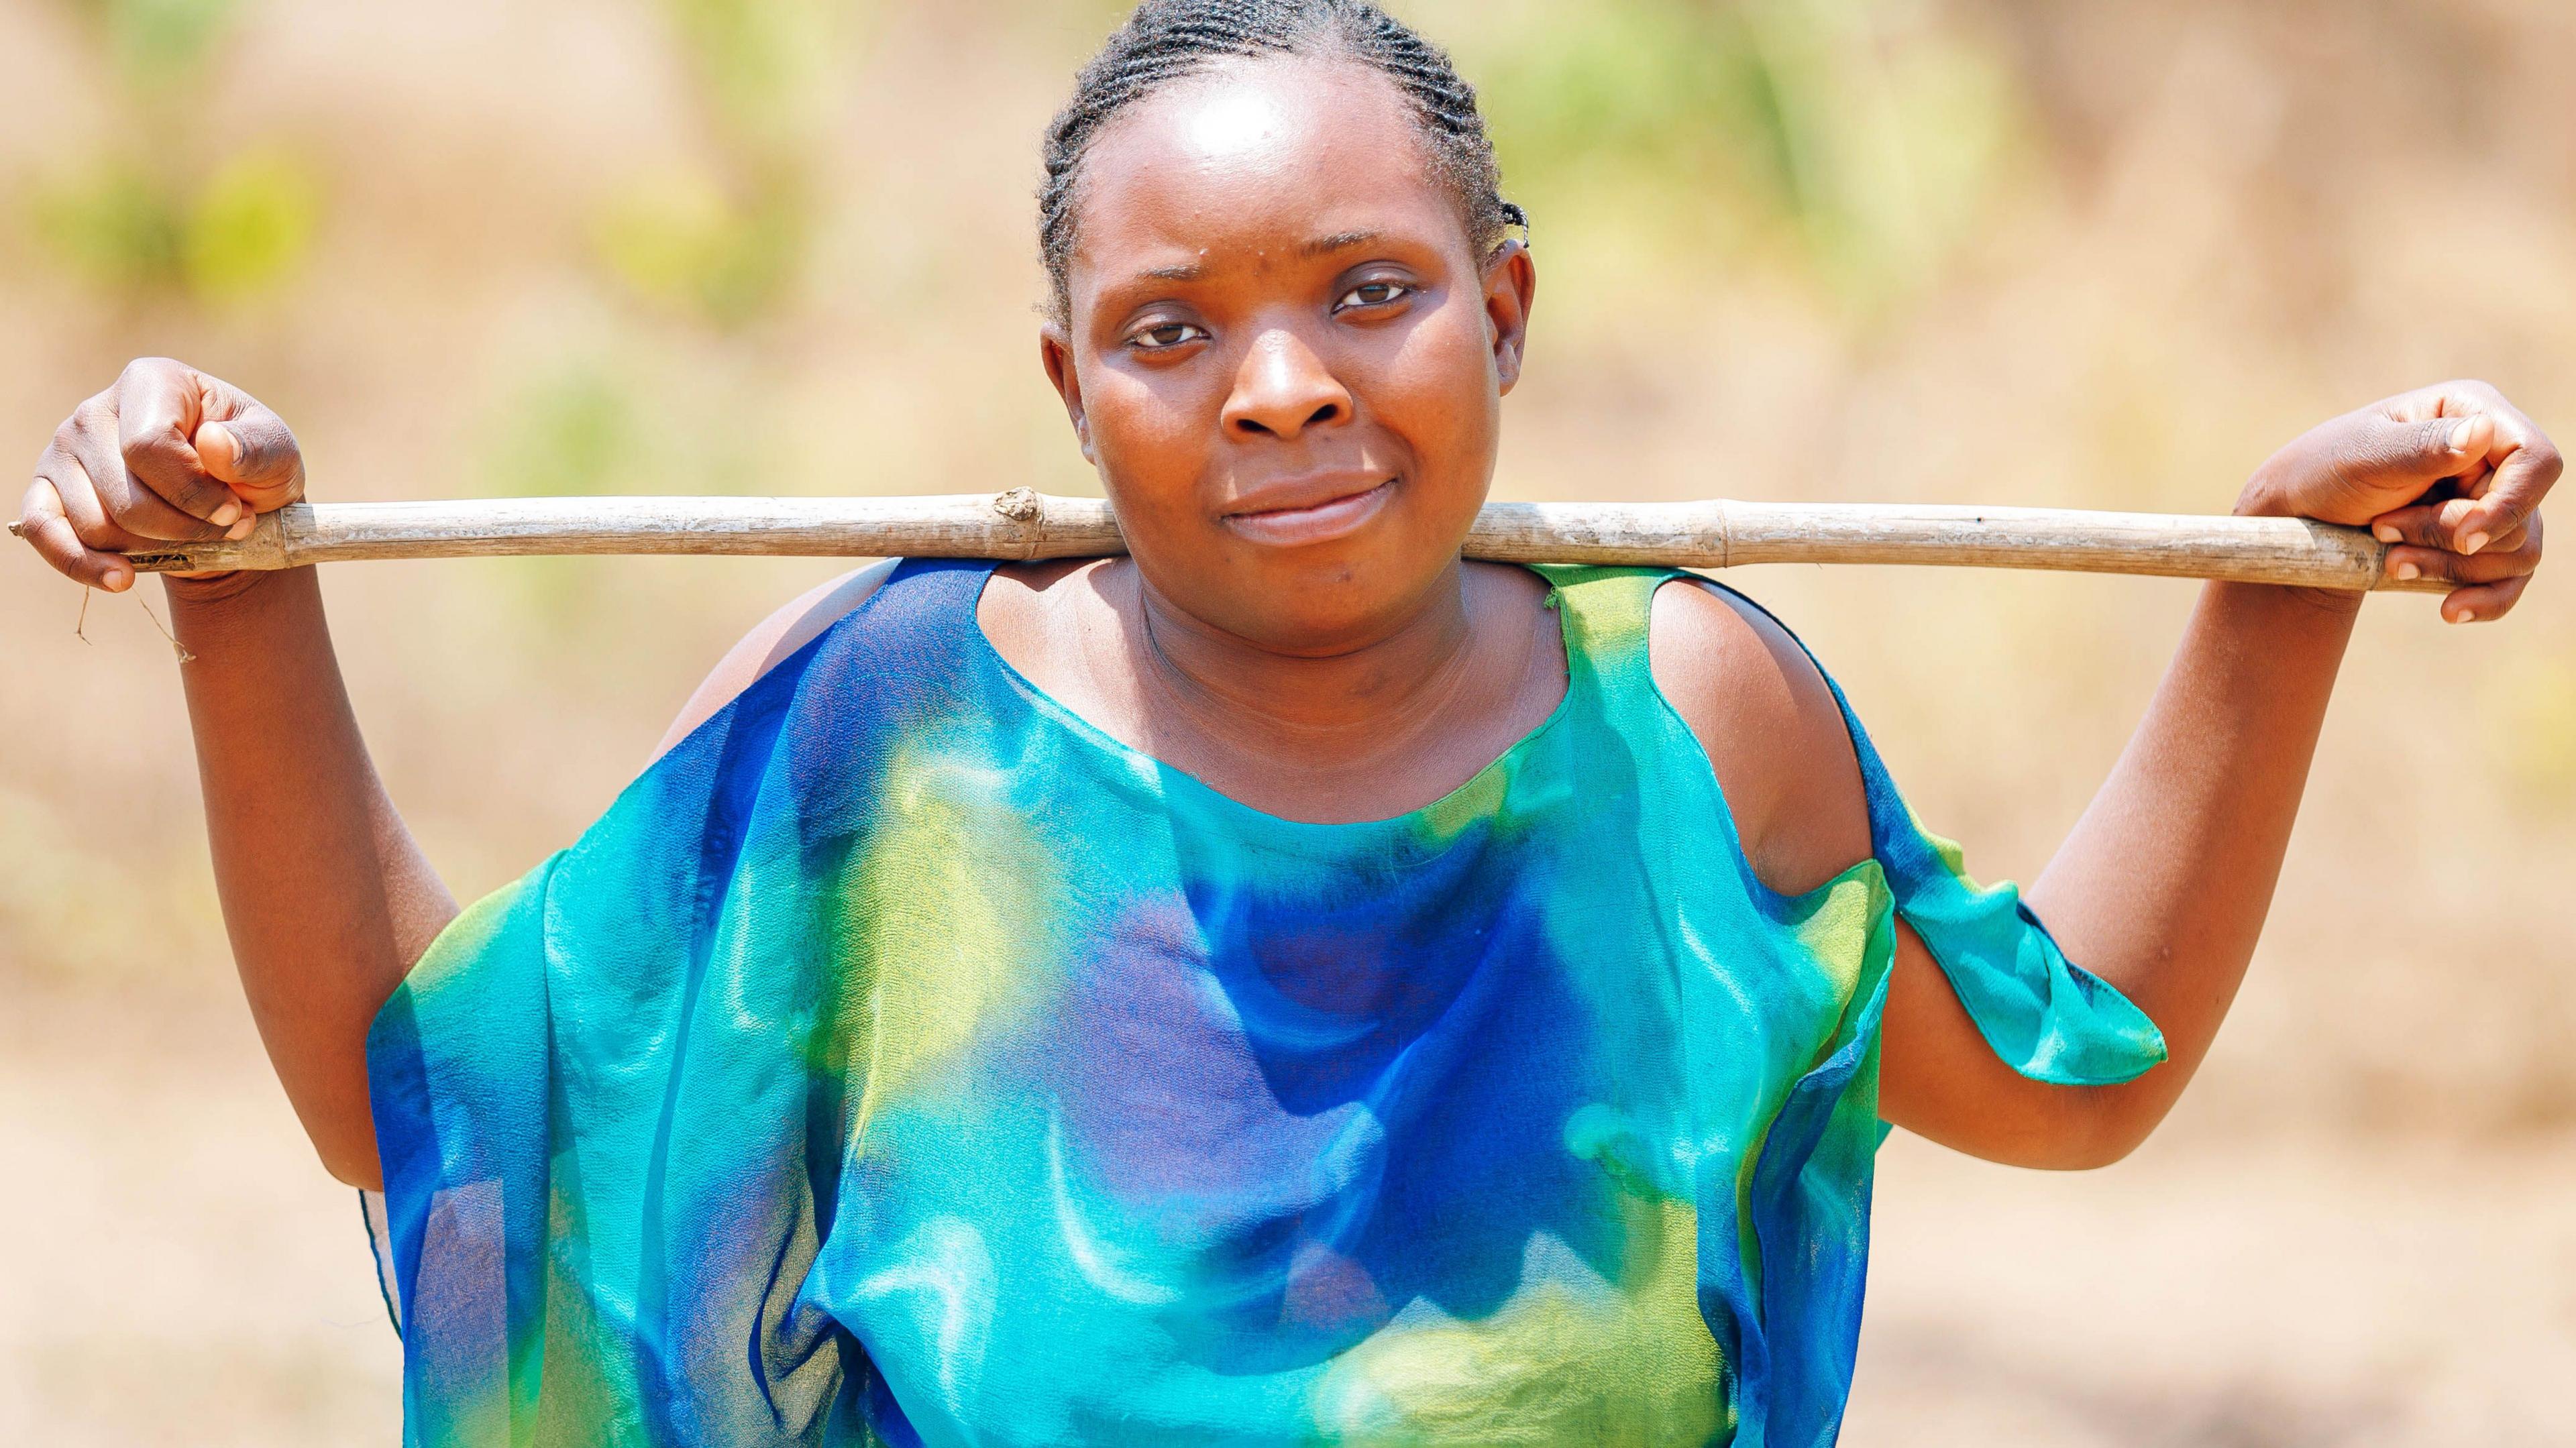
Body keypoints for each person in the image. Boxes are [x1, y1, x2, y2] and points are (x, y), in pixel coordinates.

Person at [15, 1, 2556, 1443]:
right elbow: (434, 1110)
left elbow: (2070, 1069)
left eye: (1368, 290)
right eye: (1168, 331)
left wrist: (2280, 592)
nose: (1277, 391)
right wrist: (247, 591)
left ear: (1510, 311)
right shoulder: (890, 730)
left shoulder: (1692, 715)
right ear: (1066, 385)